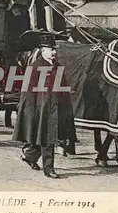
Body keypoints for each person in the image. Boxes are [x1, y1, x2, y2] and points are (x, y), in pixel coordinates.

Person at [12, 31, 74, 179]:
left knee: (44, 137)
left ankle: (29, 157)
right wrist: (30, 111)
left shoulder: (58, 66)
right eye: (50, 49)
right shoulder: (35, 66)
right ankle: (49, 169)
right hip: (41, 109)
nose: (53, 52)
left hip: (56, 107)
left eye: (54, 49)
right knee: (47, 138)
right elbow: (28, 91)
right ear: (42, 50)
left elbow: (62, 87)